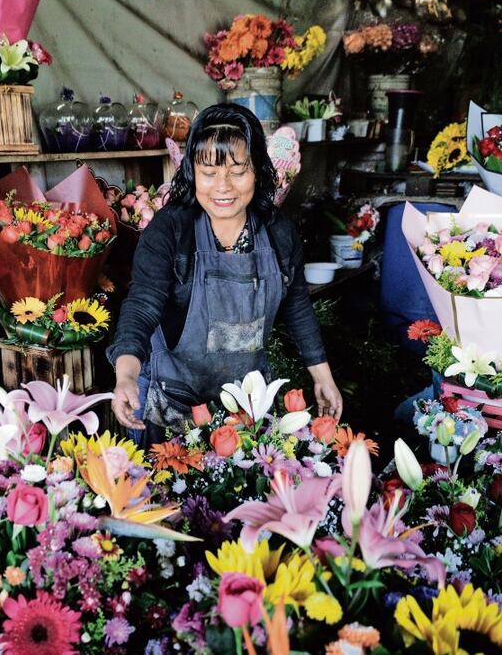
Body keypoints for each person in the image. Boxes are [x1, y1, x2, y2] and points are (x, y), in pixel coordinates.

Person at [106, 103, 341, 444]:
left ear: (258, 171)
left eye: (237, 171)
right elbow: (142, 305)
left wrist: (322, 376)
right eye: (209, 172)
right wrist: (126, 375)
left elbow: (296, 303)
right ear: (191, 173)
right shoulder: (170, 230)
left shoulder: (278, 232)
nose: (223, 186)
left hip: (246, 404)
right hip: (170, 399)